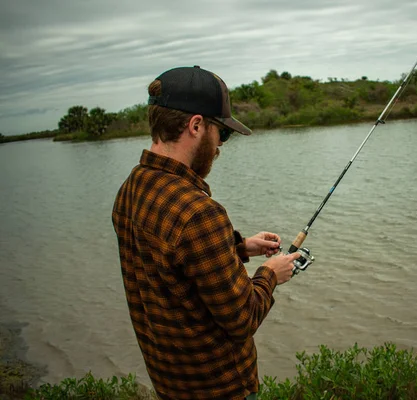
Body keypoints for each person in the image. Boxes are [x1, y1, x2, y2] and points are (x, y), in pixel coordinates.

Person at [112, 65, 300, 400]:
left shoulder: (131, 189)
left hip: (170, 386)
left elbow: (174, 267)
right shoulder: (200, 213)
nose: (220, 147)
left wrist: (241, 248)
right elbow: (243, 317)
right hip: (222, 390)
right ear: (196, 125)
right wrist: (270, 274)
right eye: (222, 133)